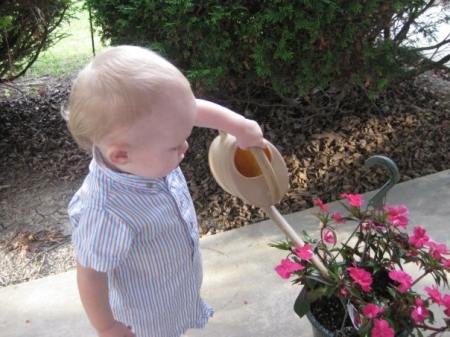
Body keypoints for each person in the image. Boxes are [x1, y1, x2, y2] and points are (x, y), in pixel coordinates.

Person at [63, 45, 268, 337]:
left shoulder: (143, 156)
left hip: (171, 291)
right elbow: (91, 272)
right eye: (175, 145)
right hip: (145, 319)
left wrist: (238, 125)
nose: (185, 146)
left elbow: (191, 110)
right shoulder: (108, 211)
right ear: (121, 155)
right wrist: (107, 327)